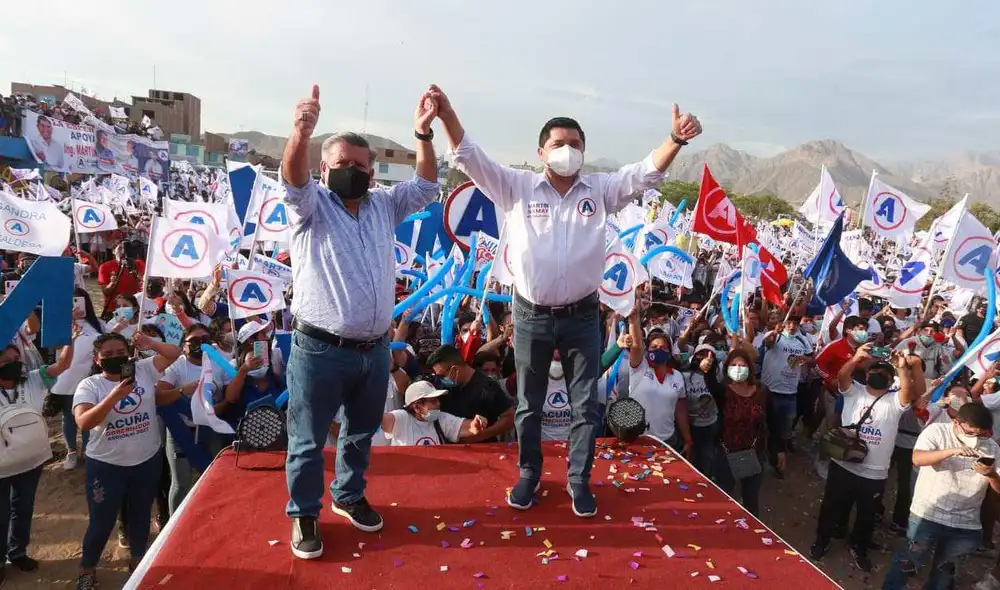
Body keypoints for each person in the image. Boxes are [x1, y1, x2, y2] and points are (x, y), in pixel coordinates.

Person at [434, 83, 702, 518]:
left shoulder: (599, 191)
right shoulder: (516, 188)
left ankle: (578, 481)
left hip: (581, 315)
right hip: (531, 314)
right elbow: (469, 157)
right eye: (559, 144)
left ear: (584, 151)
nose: (567, 151)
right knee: (529, 403)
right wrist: (446, 114)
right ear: (541, 152)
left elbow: (644, 173)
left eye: (575, 145)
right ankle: (529, 475)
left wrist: (674, 140)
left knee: (584, 404)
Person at [280, 84, 441, 560]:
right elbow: (293, 177)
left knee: (359, 432)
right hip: (320, 350)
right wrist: (300, 133)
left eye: (362, 166)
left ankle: (348, 496)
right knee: (308, 441)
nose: (355, 173)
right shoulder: (311, 208)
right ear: (325, 168)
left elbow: (428, 184)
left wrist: (423, 133)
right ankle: (305, 514)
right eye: (344, 165)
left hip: (373, 350)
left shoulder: (383, 206)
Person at [72, 332, 181, 590]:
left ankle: (137, 562)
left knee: (141, 515)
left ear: (128, 352)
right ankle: (87, 569)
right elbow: (84, 422)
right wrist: (114, 397)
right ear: (97, 360)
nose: (115, 358)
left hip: (146, 460)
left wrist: (151, 344)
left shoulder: (142, 370)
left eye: (120, 352)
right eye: (107, 355)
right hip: (107, 467)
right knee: (102, 522)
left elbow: (174, 354)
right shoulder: (90, 386)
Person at [810, 347, 922, 573]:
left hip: (874, 472)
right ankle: (822, 540)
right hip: (843, 464)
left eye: (884, 372)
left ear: (891, 380)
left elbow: (909, 391)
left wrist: (901, 367)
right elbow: (842, 377)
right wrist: (855, 358)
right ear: (867, 374)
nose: (877, 374)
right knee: (831, 506)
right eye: (874, 370)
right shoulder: (855, 391)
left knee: (867, 513)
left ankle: (859, 546)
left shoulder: (895, 401)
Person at [883, 403, 1000, 590]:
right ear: (957, 422)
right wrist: (952, 451)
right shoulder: (937, 431)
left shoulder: (992, 447)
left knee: (944, 574)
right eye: (972, 433)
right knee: (908, 562)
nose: (977, 438)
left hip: (965, 524)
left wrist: (991, 475)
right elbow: (918, 458)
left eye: (982, 434)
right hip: (928, 515)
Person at [0, 332, 78, 586]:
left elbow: (63, 364)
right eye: (5, 360)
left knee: (22, 508)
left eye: (16, 358)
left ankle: (18, 552)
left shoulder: (34, 379)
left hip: (30, 460)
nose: (13, 363)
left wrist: (70, 339)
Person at [427, 345, 514, 442]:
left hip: (482, 451)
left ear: (455, 370)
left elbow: (509, 417)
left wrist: (483, 435)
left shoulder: (487, 387)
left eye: (442, 375)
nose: (440, 379)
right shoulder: (442, 387)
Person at [380, 381, 486, 446]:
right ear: (417, 407)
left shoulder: (441, 419)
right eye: (433, 400)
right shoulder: (401, 418)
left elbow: (467, 427)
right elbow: (379, 419)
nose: (438, 403)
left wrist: (476, 425)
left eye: (437, 399)